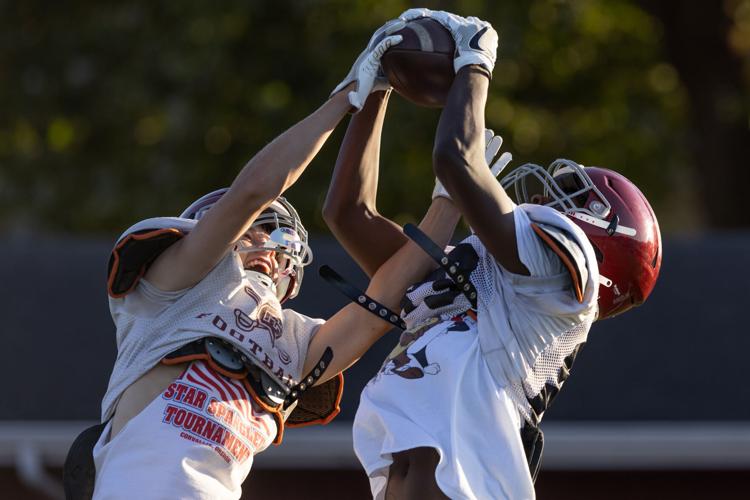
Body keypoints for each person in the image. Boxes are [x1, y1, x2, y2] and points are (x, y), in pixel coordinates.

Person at [62, 21, 466, 500]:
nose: (266, 242)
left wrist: (453, 196)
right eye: (254, 228)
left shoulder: (297, 343)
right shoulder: (173, 287)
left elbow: (382, 302)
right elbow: (255, 190)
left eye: (277, 233)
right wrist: (347, 96)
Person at [324, 8, 663, 500]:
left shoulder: (566, 284)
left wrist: (476, 60)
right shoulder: (486, 280)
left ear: (603, 241)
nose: (545, 200)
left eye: (570, 197)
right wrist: (374, 89)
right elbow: (348, 213)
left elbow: (456, 157)